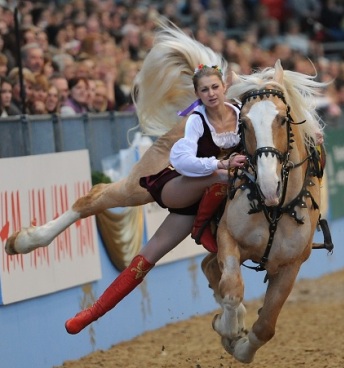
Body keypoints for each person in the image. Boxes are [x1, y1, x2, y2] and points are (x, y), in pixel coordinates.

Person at [65, 21, 246, 335]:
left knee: (244, 185)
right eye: (204, 90)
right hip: (185, 189)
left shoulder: (242, 113)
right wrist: (220, 166)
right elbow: (180, 159)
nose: (211, 93)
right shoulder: (195, 120)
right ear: (197, 94)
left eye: (215, 87)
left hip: (223, 193)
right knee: (152, 251)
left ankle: (92, 312)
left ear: (224, 87)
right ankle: (92, 314)